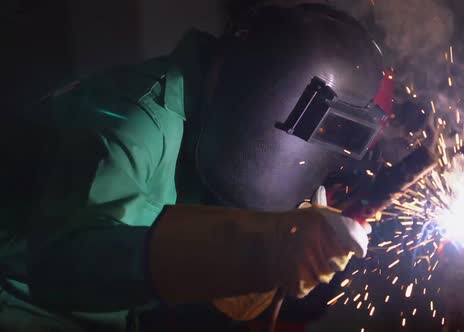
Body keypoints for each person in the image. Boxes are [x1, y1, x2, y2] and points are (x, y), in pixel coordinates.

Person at [0, 3, 389, 331]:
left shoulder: (224, 127)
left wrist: (301, 250)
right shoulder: (135, 120)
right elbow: (61, 266)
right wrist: (263, 247)